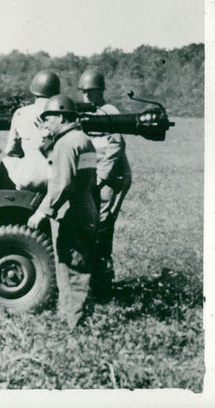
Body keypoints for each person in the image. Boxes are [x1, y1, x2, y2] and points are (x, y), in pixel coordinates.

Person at [27, 94, 98, 328]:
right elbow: (71, 173)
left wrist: (41, 212)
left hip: (71, 213)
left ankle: (74, 323)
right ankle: (74, 314)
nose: (45, 124)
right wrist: (46, 145)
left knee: (70, 267)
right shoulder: (82, 140)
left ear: (61, 116)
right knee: (76, 265)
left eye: (48, 119)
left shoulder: (66, 144)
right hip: (85, 209)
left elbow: (62, 184)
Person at [78, 69, 132, 300]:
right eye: (84, 93)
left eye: (92, 92)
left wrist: (100, 177)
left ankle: (102, 282)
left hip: (112, 178)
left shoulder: (110, 113)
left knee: (102, 226)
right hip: (96, 178)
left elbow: (116, 147)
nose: (88, 97)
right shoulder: (85, 114)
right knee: (92, 224)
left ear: (101, 92)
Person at [1, 70, 60, 191]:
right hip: (58, 178)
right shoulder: (62, 116)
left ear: (34, 91)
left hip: (30, 179)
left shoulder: (21, 113)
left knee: (6, 161)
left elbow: (11, 150)